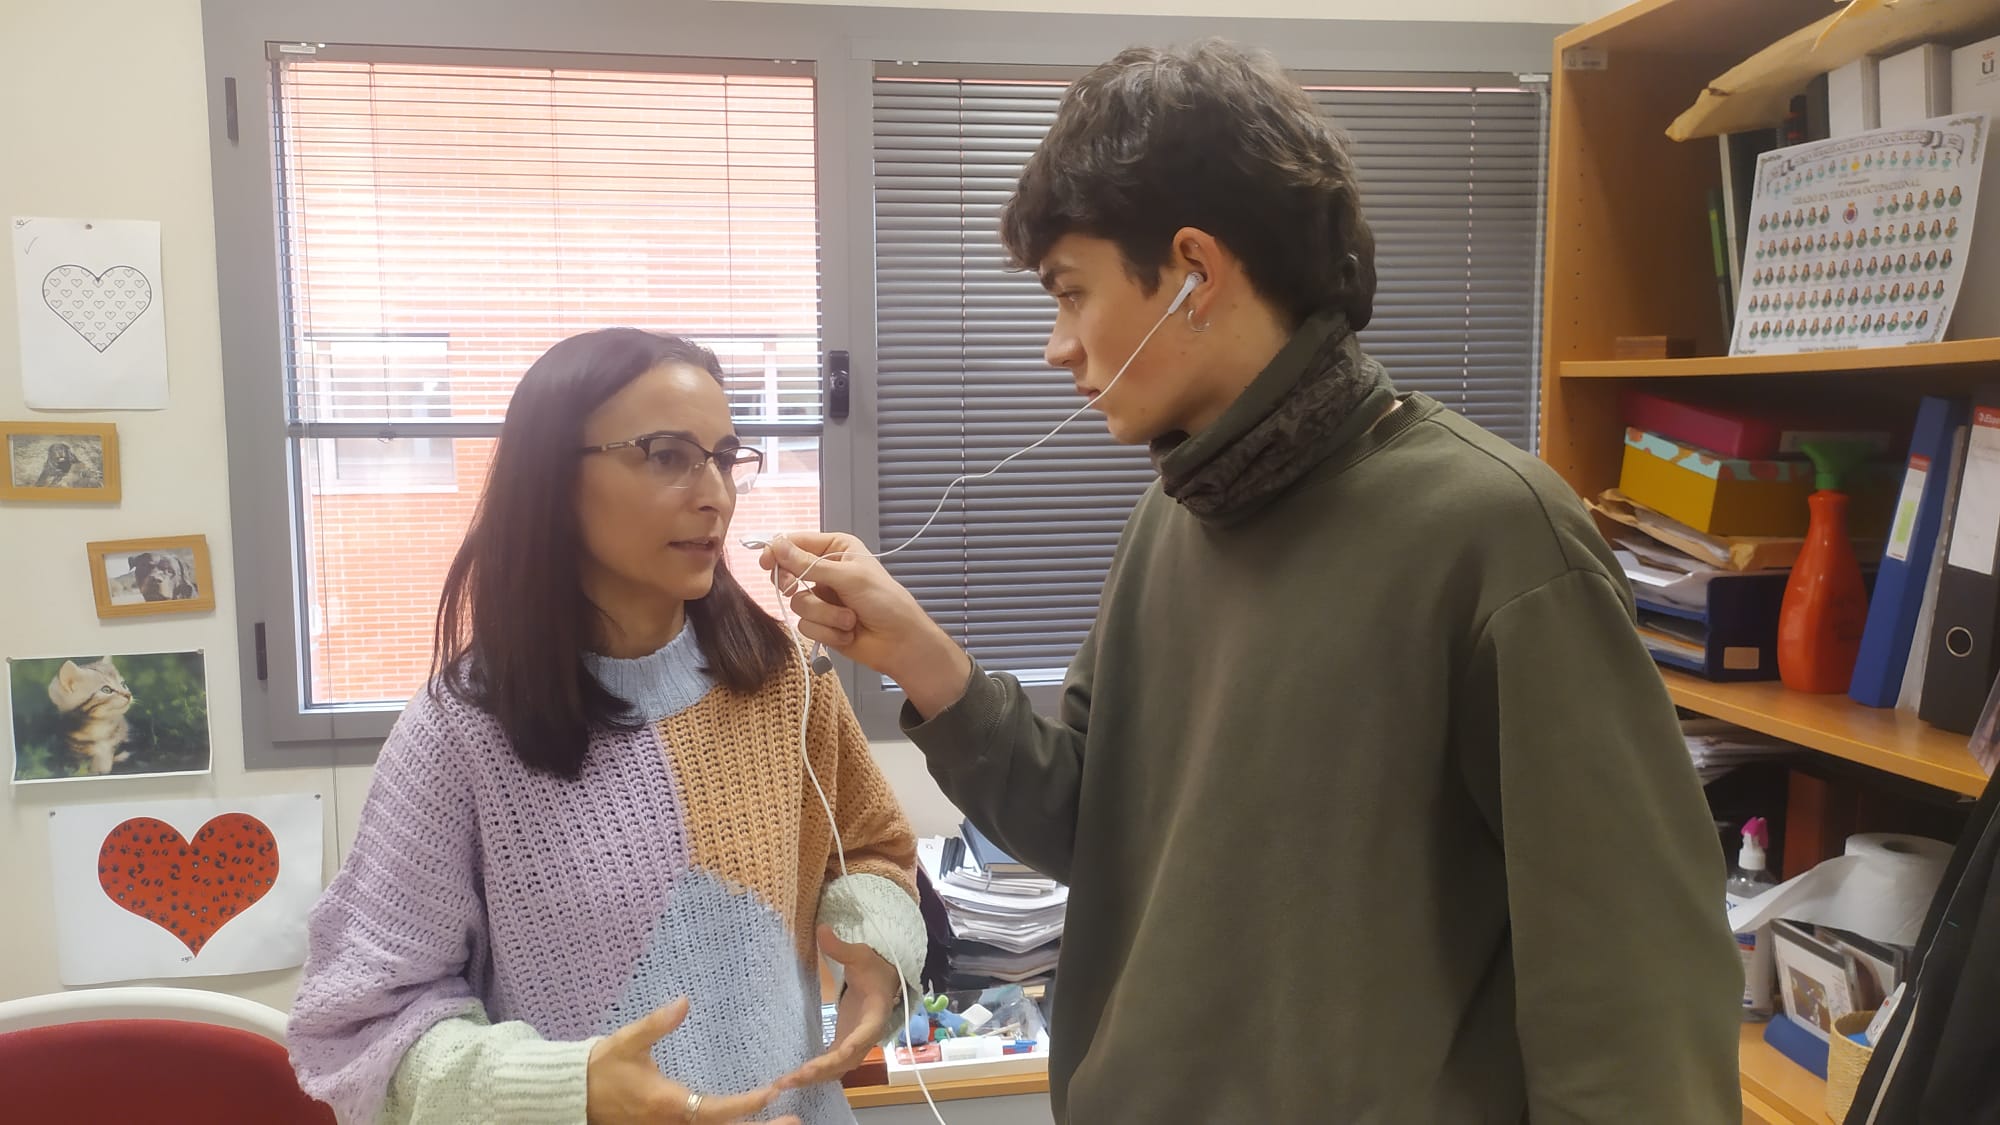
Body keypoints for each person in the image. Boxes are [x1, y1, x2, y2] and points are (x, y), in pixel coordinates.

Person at [760, 40, 1739, 1123]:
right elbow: (1093, 824)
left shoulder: (1496, 539)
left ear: (1192, 270)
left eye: (1071, 293)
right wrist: (919, 658)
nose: (1055, 347)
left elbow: (1635, 999)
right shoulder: (1171, 522)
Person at [289, 329, 924, 1125]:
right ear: (553, 477)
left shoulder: (781, 679)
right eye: (667, 455)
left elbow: (868, 847)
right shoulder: (461, 731)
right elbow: (364, 1025)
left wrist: (874, 945)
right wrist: (573, 1086)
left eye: (724, 458)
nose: (715, 495)